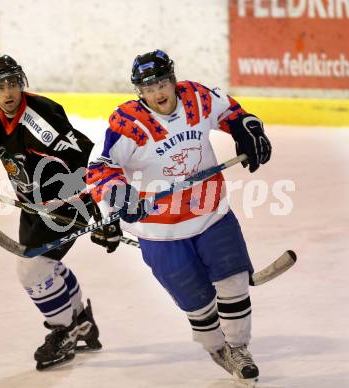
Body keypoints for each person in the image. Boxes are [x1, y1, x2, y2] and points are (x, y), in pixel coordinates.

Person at [86, 49, 271, 381]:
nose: (157, 93)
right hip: (161, 232)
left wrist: (248, 128)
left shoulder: (196, 97)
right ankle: (217, 347)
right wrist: (119, 196)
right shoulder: (127, 124)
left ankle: (239, 347)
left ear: (172, 80)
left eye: (161, 83)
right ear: (139, 92)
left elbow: (231, 111)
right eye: (148, 87)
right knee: (198, 305)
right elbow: (101, 170)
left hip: (211, 213)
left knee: (233, 282)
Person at [0, 55, 121, 370]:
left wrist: (104, 211)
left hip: (69, 201)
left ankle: (66, 331)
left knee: (31, 269)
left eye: (11, 84)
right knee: (46, 265)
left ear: (21, 82)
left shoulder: (43, 117)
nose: (6, 93)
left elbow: (86, 163)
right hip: (32, 205)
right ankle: (83, 324)